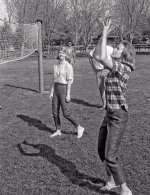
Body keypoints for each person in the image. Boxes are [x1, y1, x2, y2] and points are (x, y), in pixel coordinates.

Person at [93, 19, 135, 195]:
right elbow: (97, 56)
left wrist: (105, 32)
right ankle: (111, 180)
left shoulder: (124, 68)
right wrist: (102, 36)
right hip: (109, 113)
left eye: (118, 48)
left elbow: (102, 57)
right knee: (101, 149)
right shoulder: (113, 68)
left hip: (118, 115)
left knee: (110, 156)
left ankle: (125, 189)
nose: (114, 49)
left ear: (124, 53)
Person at [49, 46, 84, 138]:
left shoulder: (68, 66)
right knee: (54, 112)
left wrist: (68, 94)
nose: (61, 54)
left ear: (66, 55)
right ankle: (58, 130)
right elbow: (54, 80)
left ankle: (79, 127)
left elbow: (69, 81)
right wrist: (51, 92)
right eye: (60, 52)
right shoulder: (55, 66)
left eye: (63, 53)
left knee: (65, 113)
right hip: (56, 89)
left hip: (63, 89)